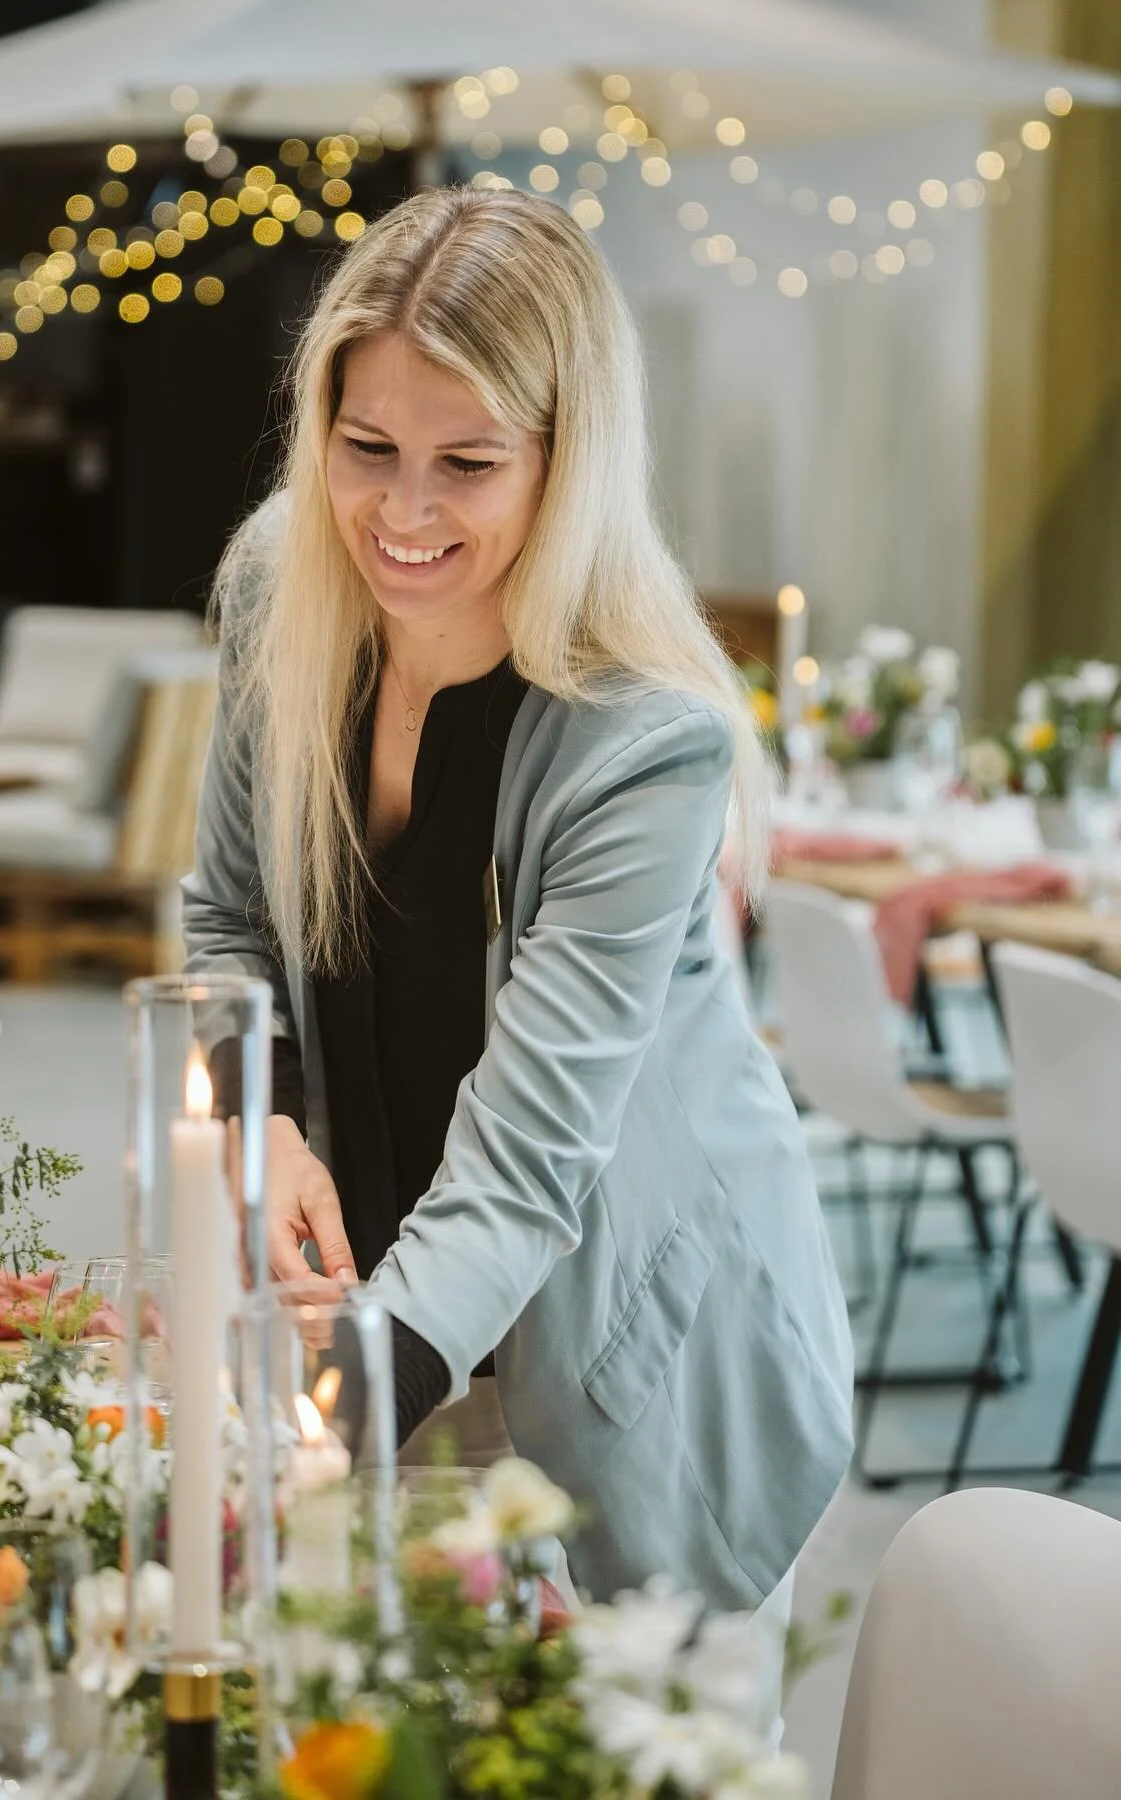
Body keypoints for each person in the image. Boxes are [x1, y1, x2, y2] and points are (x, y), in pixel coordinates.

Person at [183, 186, 852, 1611]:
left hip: (619, 1356)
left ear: (568, 463)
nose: (401, 514)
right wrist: (271, 1123)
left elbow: (528, 1168)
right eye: (365, 448)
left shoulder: (642, 735)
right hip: (380, 1318)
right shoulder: (276, 590)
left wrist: (318, 1437)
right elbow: (230, 920)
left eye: (468, 464)